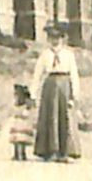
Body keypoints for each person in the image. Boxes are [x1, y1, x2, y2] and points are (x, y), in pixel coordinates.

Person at [30, 22, 82, 161]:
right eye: (52, 38)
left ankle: (66, 152)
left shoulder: (68, 55)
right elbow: (38, 74)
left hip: (64, 87)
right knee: (50, 117)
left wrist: (75, 94)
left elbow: (74, 74)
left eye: (57, 38)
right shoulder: (45, 55)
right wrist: (33, 93)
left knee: (65, 117)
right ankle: (50, 151)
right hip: (50, 87)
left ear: (62, 39)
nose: (55, 41)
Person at [6, 83, 35, 160]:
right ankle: (17, 154)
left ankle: (21, 154)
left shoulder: (26, 106)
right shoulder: (17, 104)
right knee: (17, 141)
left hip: (22, 125)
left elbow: (26, 114)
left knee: (21, 141)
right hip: (17, 125)